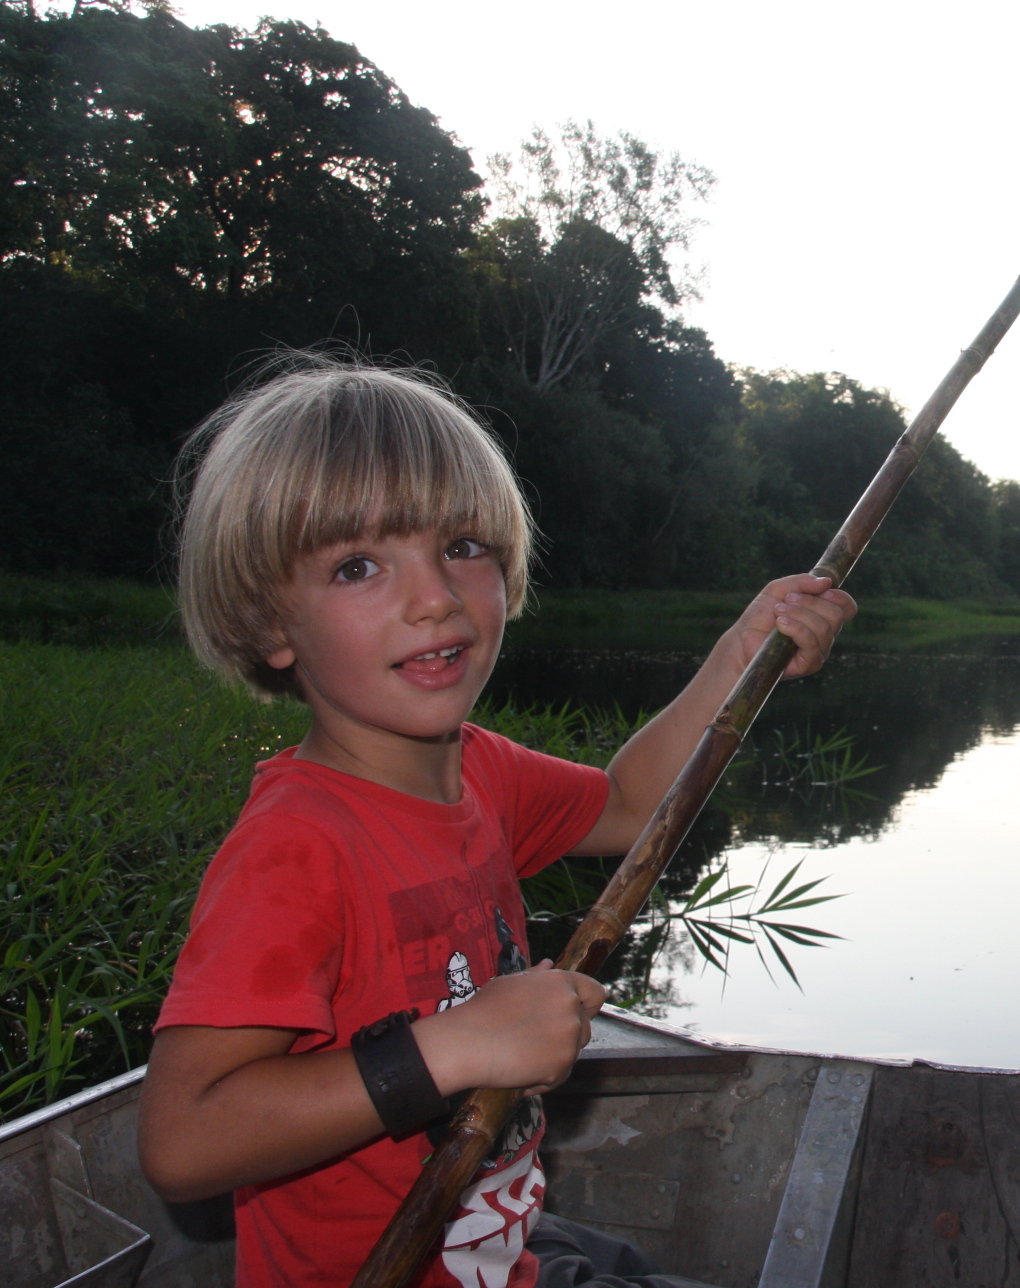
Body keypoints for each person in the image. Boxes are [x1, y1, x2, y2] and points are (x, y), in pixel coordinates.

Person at [137, 358, 856, 1288]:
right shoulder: (296, 847)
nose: (435, 595)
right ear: (270, 626)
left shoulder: (482, 770)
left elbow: (628, 805)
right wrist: (453, 1047)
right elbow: (183, 1140)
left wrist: (738, 654)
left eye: (463, 546)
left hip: (499, 1250)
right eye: (358, 566)